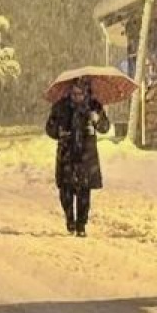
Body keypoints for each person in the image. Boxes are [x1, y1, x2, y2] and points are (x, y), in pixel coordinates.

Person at [45, 78, 111, 237]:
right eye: (74, 93)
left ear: (86, 92)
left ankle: (81, 225)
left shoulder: (94, 107)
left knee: (84, 192)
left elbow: (105, 128)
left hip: (86, 156)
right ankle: (70, 220)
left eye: (80, 93)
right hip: (66, 155)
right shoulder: (60, 107)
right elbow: (49, 128)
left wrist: (97, 120)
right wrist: (58, 131)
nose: (76, 96)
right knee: (65, 192)